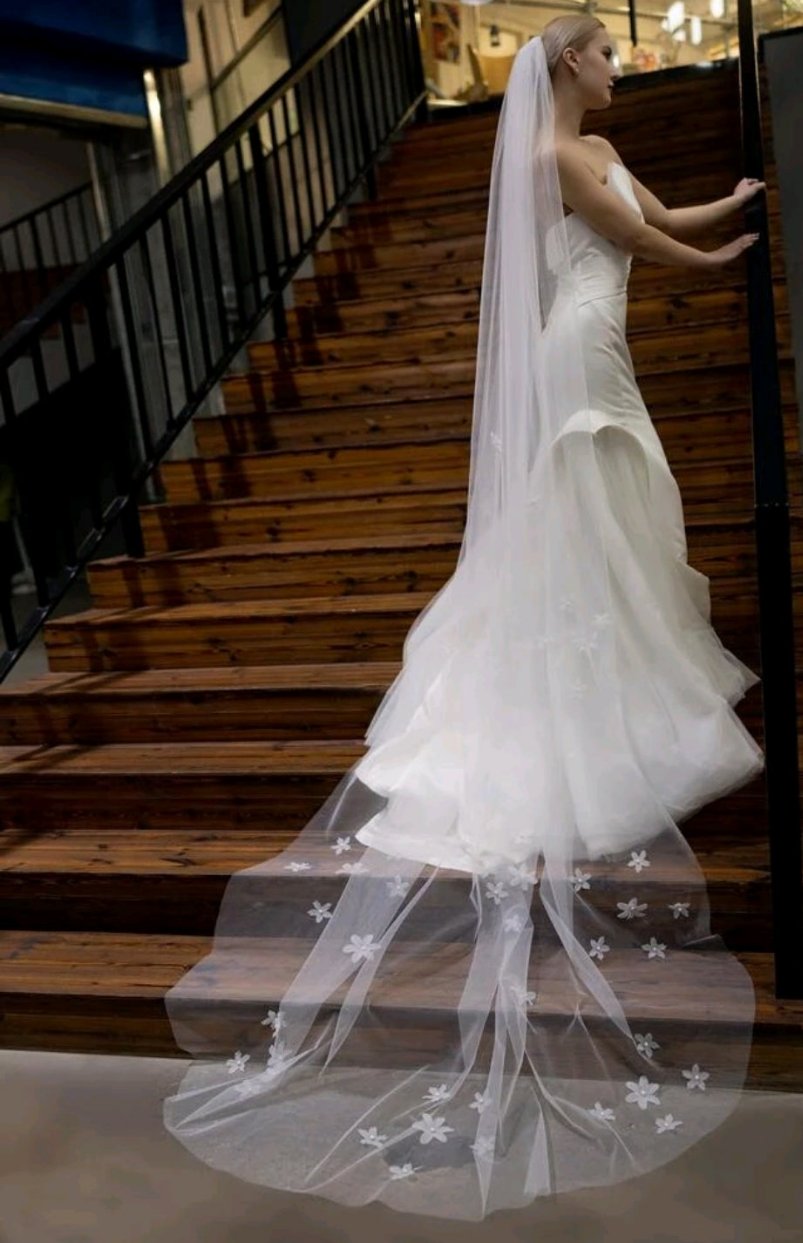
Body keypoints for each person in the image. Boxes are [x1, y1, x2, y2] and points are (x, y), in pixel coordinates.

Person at [162, 19, 766, 1220]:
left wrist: (729, 203)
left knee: (613, 501)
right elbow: (633, 234)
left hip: (600, 343)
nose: (614, 64)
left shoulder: (583, 148)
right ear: (564, 67)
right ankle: (592, 699)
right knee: (596, 491)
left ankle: (614, 670)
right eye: (601, 49)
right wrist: (723, 254)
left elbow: (654, 210)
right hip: (581, 353)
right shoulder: (553, 161)